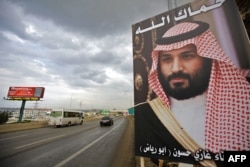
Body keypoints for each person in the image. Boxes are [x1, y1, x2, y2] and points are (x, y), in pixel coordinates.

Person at [134, 21, 250, 167]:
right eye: (167, 59)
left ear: (208, 58)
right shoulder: (148, 115)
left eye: (187, 56)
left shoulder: (242, 102)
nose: (176, 68)